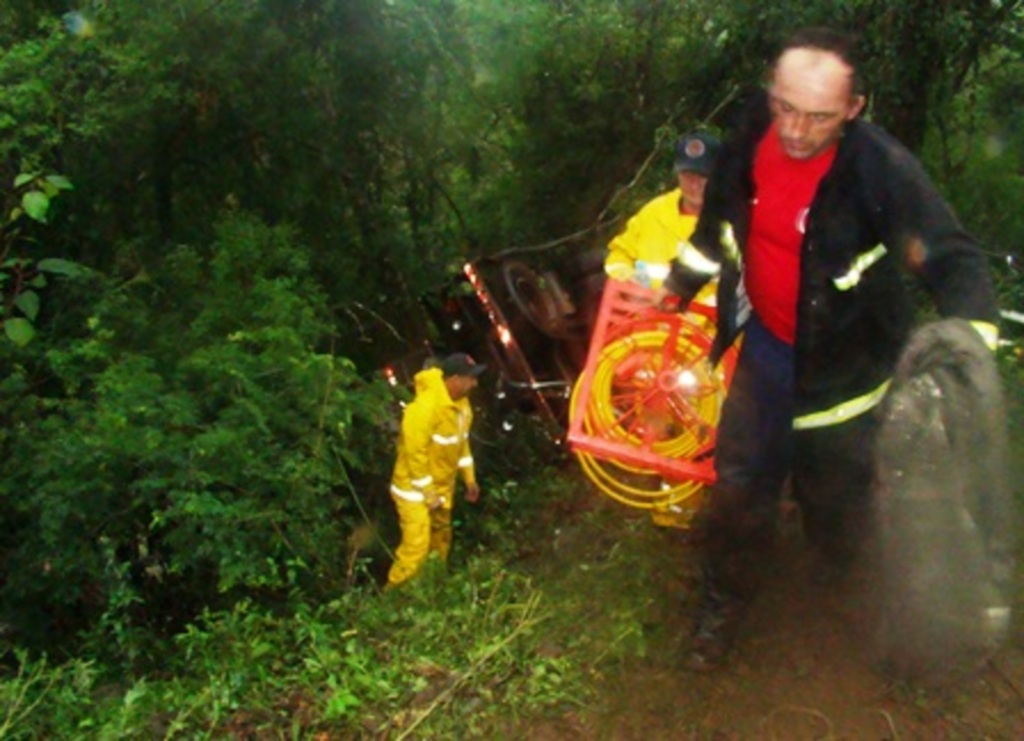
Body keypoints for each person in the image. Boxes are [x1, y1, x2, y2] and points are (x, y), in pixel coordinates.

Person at [663, 27, 1000, 670]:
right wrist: (681, 281)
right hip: (765, 353)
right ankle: (723, 605)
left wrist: (970, 354)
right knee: (738, 487)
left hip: (846, 374)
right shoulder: (749, 134)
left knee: (836, 494)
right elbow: (717, 226)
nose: (795, 130)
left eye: (818, 117)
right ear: (770, 94)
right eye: (786, 107)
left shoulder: (879, 170)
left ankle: (839, 582)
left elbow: (953, 259)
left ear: (853, 109)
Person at [386, 352, 484, 587]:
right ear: (454, 379)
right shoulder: (423, 409)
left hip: (442, 489)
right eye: (470, 378)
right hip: (414, 491)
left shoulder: (462, 406)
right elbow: (414, 456)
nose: (475, 383)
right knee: (416, 547)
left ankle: (433, 587)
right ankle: (392, 598)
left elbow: (461, 443)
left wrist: (469, 478)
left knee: (441, 539)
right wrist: (428, 493)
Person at [605, 130, 722, 290]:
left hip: (704, 313)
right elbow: (620, 253)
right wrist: (628, 278)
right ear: (678, 174)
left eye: (703, 177)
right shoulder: (654, 212)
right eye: (688, 175)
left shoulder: (735, 222)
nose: (695, 184)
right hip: (644, 310)